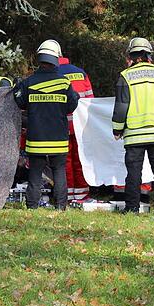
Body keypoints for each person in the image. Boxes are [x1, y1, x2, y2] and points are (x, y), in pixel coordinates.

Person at [112, 38, 154, 214]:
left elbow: (121, 106)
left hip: (135, 134)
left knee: (133, 174)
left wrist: (117, 129)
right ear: (147, 55)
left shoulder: (125, 75)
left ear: (132, 56)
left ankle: (132, 208)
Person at [13, 42, 79, 209]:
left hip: (36, 138)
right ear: (56, 58)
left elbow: (19, 102)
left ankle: (32, 207)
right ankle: (60, 207)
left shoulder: (29, 83)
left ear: (40, 58)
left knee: (35, 173)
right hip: (58, 138)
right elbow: (72, 106)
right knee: (59, 171)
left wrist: (17, 86)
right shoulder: (64, 83)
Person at [57, 48, 95, 204]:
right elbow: (91, 100)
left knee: (64, 161)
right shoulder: (81, 73)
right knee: (80, 160)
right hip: (81, 125)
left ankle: (67, 195)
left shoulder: (53, 74)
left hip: (62, 124)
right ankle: (81, 197)